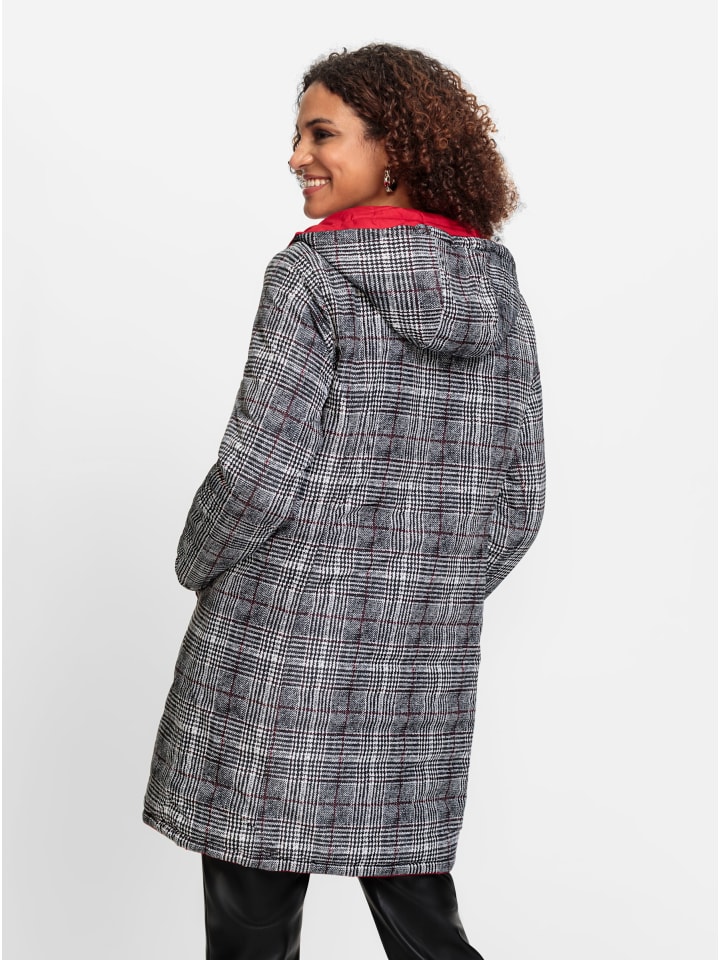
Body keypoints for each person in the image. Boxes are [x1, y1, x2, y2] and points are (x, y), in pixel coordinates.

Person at [144, 43, 545, 959]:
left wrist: (194, 563)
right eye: (299, 136)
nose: (297, 156)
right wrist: (425, 593)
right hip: (418, 657)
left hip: (276, 642)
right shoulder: (494, 285)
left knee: (251, 920)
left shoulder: (310, 276)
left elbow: (257, 474)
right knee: (422, 919)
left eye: (320, 134)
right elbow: (519, 500)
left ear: (394, 146)